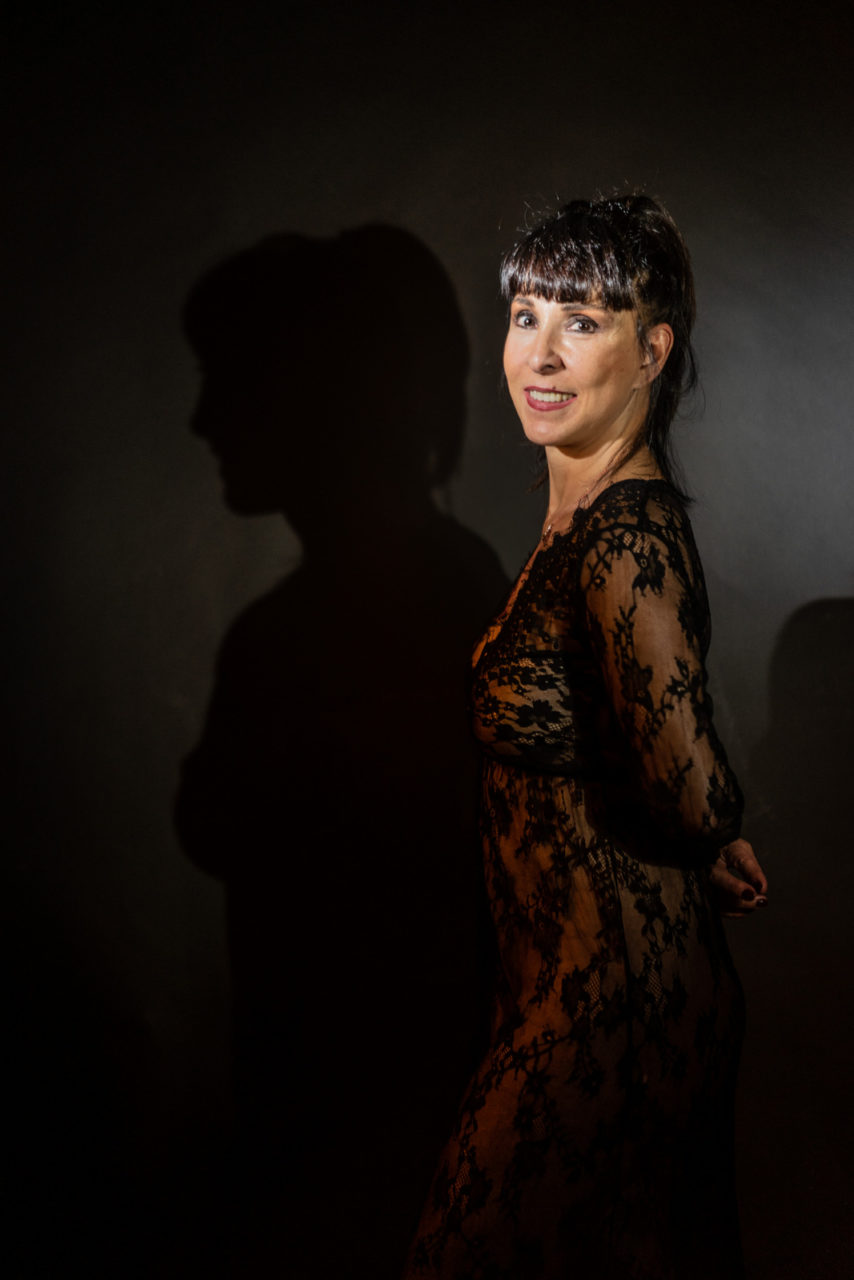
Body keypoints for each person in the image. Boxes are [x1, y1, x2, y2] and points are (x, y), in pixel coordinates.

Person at [404, 195, 768, 1280]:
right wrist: (702, 842)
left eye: (583, 320)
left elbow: (694, 792)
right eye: (526, 315)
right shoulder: (577, 520)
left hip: (615, 1011)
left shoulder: (624, 537)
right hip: (568, 993)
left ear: (651, 350)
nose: (543, 353)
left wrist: (711, 833)